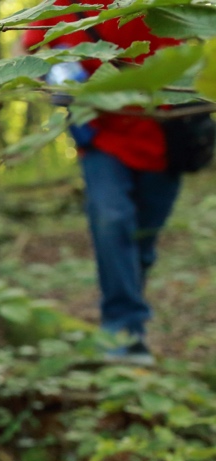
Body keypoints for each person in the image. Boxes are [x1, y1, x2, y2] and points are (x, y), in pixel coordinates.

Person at [21, 1, 183, 366]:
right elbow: (32, 50)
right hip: (102, 136)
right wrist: (59, 70)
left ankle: (127, 310)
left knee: (142, 240)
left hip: (169, 135)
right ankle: (124, 332)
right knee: (112, 219)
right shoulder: (63, 5)